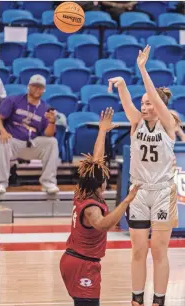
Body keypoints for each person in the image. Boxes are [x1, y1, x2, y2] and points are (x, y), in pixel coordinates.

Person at [108, 45, 179, 306]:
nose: (144, 105)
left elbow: (153, 96)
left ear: (159, 106)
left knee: (159, 250)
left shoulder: (169, 124)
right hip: (138, 191)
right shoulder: (136, 122)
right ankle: (136, 299)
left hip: (161, 192)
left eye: (149, 102)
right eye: (143, 102)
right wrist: (124, 84)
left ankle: (159, 300)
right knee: (138, 250)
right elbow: (126, 102)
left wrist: (142, 68)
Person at [60, 107, 139, 306]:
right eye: (105, 179)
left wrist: (103, 131)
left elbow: (96, 161)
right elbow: (103, 225)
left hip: (76, 261)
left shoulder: (81, 191)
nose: (107, 181)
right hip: (82, 264)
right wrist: (127, 200)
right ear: (99, 184)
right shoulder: (91, 207)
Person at [0, 74, 59, 194]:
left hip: (31, 143)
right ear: (28, 87)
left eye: (40, 87)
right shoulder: (13, 100)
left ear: (44, 89)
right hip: (13, 142)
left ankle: (48, 183)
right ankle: (1, 183)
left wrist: (52, 122)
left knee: (52, 142)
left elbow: (48, 134)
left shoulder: (45, 108)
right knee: (1, 140)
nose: (37, 89)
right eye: (34, 86)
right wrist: (3, 131)